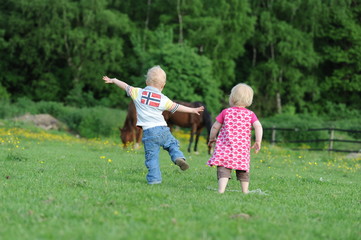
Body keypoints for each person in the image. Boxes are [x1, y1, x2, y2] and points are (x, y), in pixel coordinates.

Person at [102, 65, 204, 184]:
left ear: (146, 81)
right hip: (163, 130)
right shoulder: (163, 99)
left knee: (152, 158)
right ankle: (177, 157)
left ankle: (154, 180)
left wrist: (114, 80)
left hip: (149, 133)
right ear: (163, 85)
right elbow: (177, 107)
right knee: (172, 144)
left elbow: (125, 86)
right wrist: (192, 110)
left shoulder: (138, 93)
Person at [207, 83, 263, 194]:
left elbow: (215, 126)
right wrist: (258, 141)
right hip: (241, 150)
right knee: (243, 168)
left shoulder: (225, 112)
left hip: (225, 148)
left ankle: (221, 190)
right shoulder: (250, 114)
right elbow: (258, 126)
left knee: (223, 167)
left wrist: (212, 138)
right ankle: (245, 190)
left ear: (232, 98)